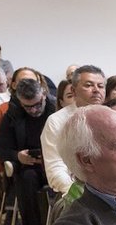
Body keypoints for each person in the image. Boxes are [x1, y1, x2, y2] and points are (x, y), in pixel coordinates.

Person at [0, 77, 55, 225]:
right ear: (20, 102)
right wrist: (18, 155)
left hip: (53, 162)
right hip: (28, 166)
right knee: (26, 179)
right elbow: (2, 150)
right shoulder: (11, 115)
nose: (34, 110)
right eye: (28, 106)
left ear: (43, 94)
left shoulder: (53, 109)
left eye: (38, 104)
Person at [42, 64, 107, 196]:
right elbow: (55, 168)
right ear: (73, 89)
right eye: (88, 85)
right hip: (73, 190)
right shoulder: (56, 121)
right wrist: (77, 193)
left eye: (100, 86)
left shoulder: (113, 117)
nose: (96, 90)